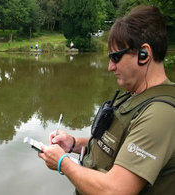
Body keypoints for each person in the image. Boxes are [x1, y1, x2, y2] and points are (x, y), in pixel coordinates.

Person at [38, 5, 175, 195]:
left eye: (115, 57)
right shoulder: (136, 96)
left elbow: (115, 190)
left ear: (144, 54)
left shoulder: (161, 114)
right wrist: (74, 144)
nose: (110, 67)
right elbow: (116, 147)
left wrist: (63, 163)